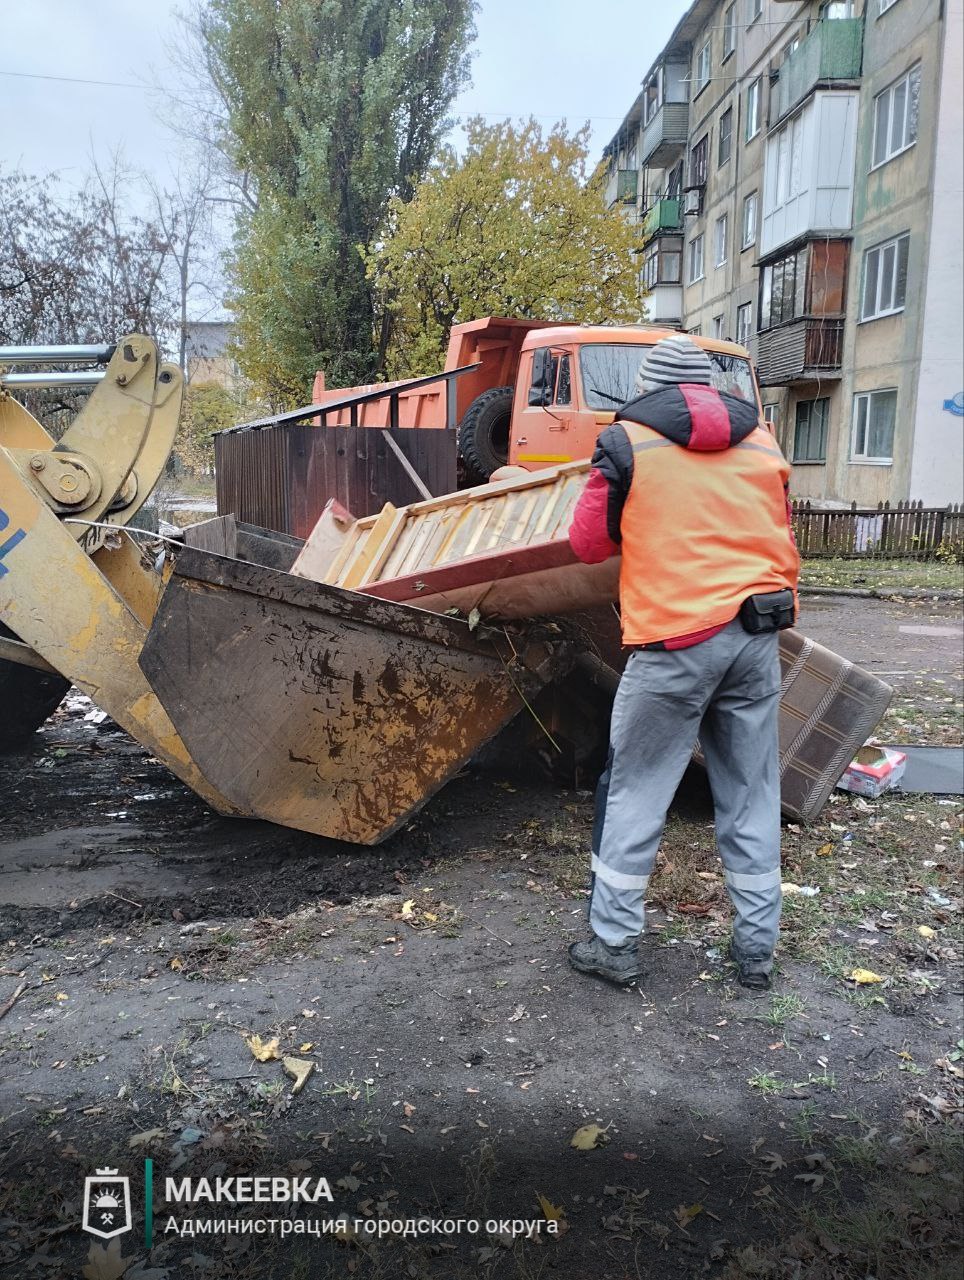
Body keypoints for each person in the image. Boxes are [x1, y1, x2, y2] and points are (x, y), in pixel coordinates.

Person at [567, 334, 800, 991]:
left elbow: (587, 544)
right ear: (709, 387)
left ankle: (614, 944)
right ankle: (756, 951)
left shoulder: (626, 442)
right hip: (756, 636)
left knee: (637, 789)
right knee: (751, 792)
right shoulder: (763, 442)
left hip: (675, 641)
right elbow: (779, 529)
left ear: (648, 388)